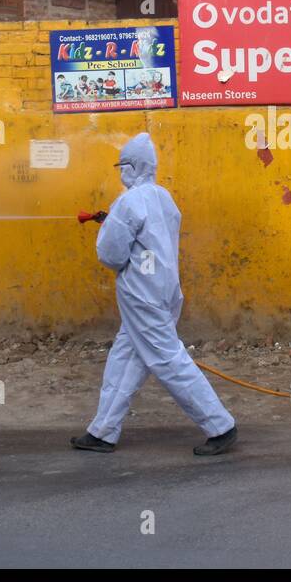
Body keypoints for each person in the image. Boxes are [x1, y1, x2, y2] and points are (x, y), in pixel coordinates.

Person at [72, 132, 238, 456]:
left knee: (167, 359)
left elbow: (112, 255)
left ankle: (220, 426)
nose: (121, 172)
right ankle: (103, 431)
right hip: (165, 290)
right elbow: (152, 238)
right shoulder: (164, 198)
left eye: (123, 165)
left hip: (141, 295)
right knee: (125, 358)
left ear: (132, 167)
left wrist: (111, 226)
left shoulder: (128, 201)